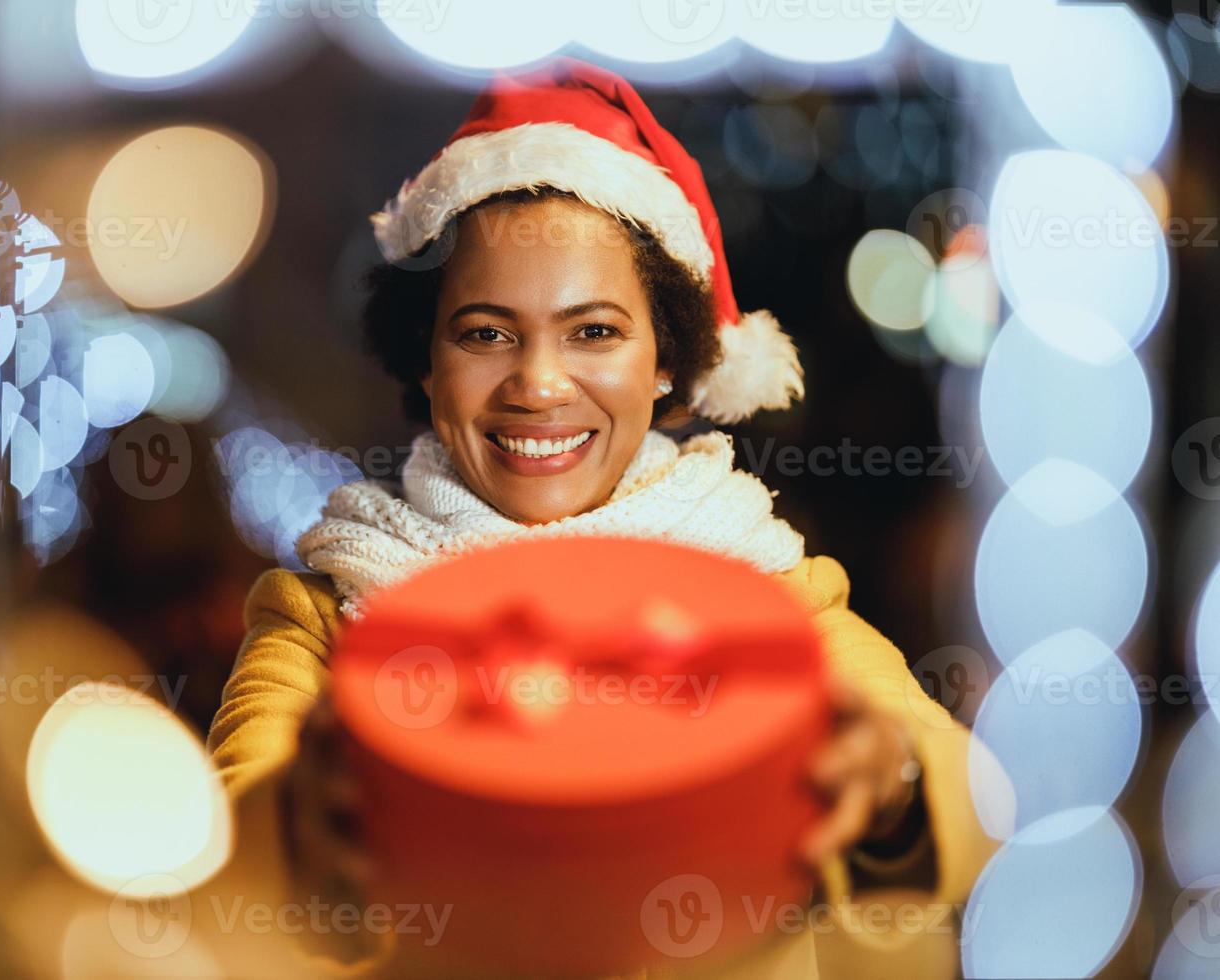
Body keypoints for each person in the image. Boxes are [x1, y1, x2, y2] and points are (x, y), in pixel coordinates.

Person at [208, 57, 996, 979]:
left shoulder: (770, 597)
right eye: (485, 332)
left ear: (669, 363)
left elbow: (968, 803)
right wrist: (311, 819)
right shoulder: (319, 619)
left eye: (593, 332)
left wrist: (889, 785)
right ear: (425, 362)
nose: (538, 383)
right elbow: (228, 859)